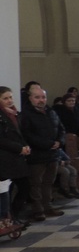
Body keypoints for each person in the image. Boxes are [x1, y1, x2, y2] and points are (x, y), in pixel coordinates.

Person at [20, 87, 66, 221]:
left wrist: (59, 141)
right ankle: (38, 210)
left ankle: (48, 206)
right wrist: (47, 144)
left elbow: (61, 129)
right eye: (37, 97)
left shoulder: (52, 112)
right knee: (36, 184)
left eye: (43, 97)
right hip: (37, 156)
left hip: (53, 155)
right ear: (30, 98)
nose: (41, 100)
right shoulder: (26, 115)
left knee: (48, 182)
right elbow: (27, 135)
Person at [0, 86, 31, 224]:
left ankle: (14, 215)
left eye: (10, 97)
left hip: (17, 157)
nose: (9, 100)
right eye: (5, 98)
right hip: (5, 158)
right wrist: (19, 148)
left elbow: (19, 133)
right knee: (7, 190)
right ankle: (9, 218)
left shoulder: (13, 114)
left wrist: (25, 146)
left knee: (24, 187)